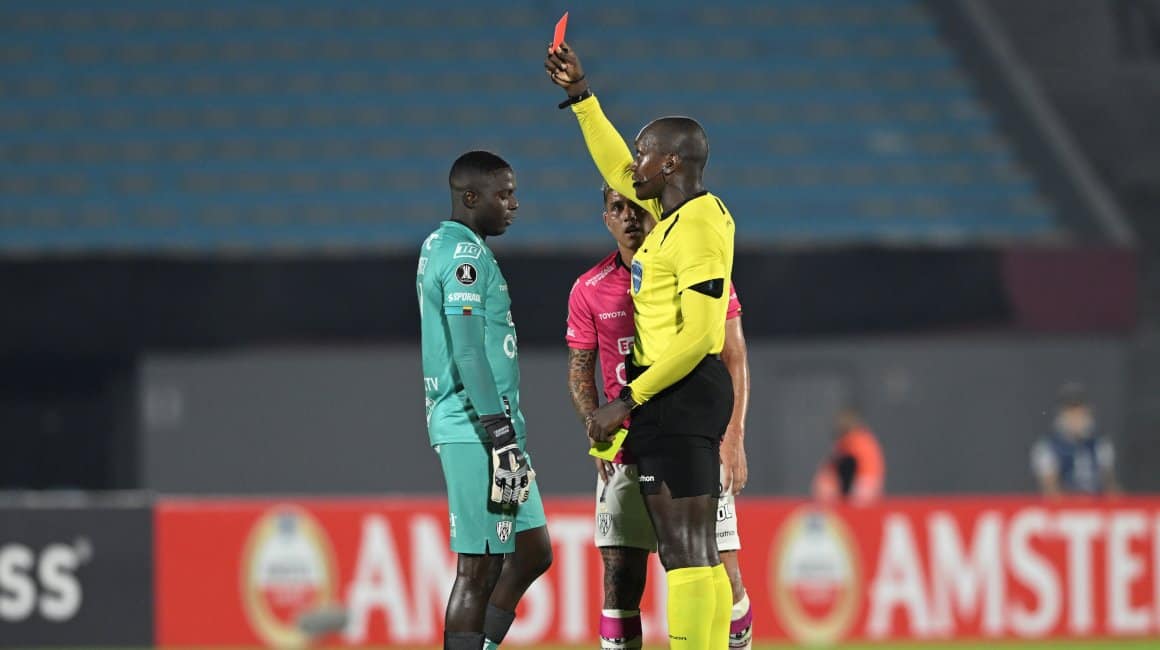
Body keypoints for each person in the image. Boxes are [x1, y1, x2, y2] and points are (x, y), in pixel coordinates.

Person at [548, 43, 736, 649]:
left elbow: (702, 335)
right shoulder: (673, 212)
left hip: (679, 393)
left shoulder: (698, 226)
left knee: (684, 552)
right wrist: (581, 98)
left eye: (645, 152)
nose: (635, 163)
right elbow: (613, 167)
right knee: (697, 549)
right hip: (678, 394)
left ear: (671, 161)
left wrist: (628, 399)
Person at [566, 185, 755, 650]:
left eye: (637, 206)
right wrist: (596, 431)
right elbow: (580, 370)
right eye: (617, 208)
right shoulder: (589, 289)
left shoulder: (695, 265)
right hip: (627, 450)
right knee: (620, 580)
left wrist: (733, 437)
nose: (629, 217)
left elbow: (733, 354)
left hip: (690, 439)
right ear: (605, 219)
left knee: (721, 568)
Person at [417, 151, 552, 650]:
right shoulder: (465, 258)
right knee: (478, 567)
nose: (514, 204)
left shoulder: (444, 244)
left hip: (494, 427)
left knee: (533, 550)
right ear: (471, 198)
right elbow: (469, 351)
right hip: (476, 428)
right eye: (504, 194)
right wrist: (499, 433)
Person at [1031, 382, 1120, 496]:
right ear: (1061, 414)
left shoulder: (1100, 443)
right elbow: (1050, 490)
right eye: (1071, 412)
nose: (1076, 417)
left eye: (1079, 412)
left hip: (1096, 503)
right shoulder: (1047, 447)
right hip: (1067, 505)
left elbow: (1110, 485)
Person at [812, 408, 885, 506]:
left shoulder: (856, 439)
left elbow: (840, 463)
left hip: (863, 484)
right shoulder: (857, 439)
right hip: (865, 485)